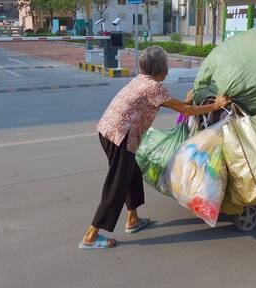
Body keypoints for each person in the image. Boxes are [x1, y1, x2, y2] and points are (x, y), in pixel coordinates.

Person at [79, 46, 231, 249]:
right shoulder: (153, 88)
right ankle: (91, 235)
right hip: (121, 137)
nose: (167, 70)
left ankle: (132, 219)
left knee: (132, 175)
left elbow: (174, 104)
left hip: (108, 132)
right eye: (165, 66)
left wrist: (185, 102)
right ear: (160, 69)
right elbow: (186, 110)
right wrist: (215, 105)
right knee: (117, 184)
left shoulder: (142, 81)